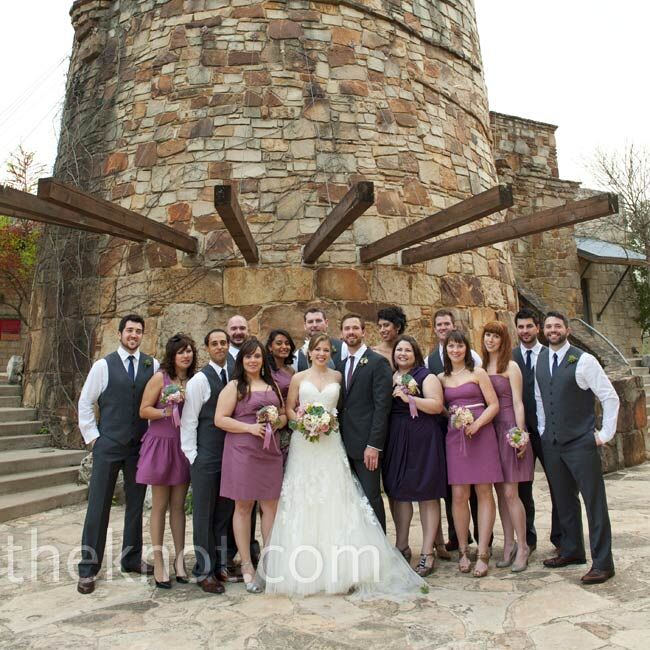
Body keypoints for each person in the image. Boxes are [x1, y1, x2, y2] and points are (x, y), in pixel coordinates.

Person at [262, 334, 424, 597]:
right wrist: (303, 422)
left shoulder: (337, 378)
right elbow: (289, 408)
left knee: (336, 497)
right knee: (305, 498)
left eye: (326, 350)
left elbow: (346, 409)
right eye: (318, 350)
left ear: (331, 353)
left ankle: (345, 566)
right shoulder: (298, 378)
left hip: (331, 443)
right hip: (305, 444)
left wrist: (325, 423)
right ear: (310, 352)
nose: (322, 354)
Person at [535, 312, 619, 584]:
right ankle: (571, 550)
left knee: (594, 503)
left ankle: (603, 563)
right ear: (543, 331)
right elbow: (539, 397)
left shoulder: (584, 360)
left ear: (567, 330)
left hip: (581, 443)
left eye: (557, 326)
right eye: (548, 326)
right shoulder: (541, 358)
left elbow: (609, 397)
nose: (553, 330)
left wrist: (604, 434)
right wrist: (543, 429)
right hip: (553, 443)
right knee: (564, 500)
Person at [77, 314, 158, 594]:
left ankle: (131, 558)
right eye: (130, 331)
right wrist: (94, 439)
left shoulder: (152, 364)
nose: (134, 335)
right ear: (120, 333)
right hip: (108, 445)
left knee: (135, 505)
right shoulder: (103, 366)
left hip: (139, 447)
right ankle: (88, 568)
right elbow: (86, 403)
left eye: (138, 331)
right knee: (98, 506)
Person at [216, 337, 286, 593]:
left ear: (263, 360)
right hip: (242, 451)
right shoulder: (235, 386)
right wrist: (249, 427)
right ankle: (246, 564)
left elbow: (285, 415)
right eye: (248, 356)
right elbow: (219, 419)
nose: (253, 360)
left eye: (257, 356)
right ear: (242, 360)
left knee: (270, 505)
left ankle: (269, 562)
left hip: (270, 452)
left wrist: (277, 422)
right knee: (243, 506)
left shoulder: (272, 385)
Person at [438, 330, 503, 577]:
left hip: (481, 434)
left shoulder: (478, 373)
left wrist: (477, 423)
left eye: (460, 346)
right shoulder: (441, 378)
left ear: (466, 348)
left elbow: (494, 404)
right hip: (456, 438)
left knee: (484, 491)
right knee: (458, 494)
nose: (455, 350)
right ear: (446, 350)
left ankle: (483, 551)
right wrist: (455, 418)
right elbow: (439, 407)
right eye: (451, 346)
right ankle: (464, 550)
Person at [382, 335, 446, 577]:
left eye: (408, 350)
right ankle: (402, 545)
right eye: (399, 350)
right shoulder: (390, 377)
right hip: (397, 438)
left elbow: (436, 406)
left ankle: (428, 552)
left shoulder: (426, 376)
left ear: (415, 353)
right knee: (399, 493)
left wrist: (410, 398)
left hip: (422, 437)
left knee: (427, 493)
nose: (402, 354)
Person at [180, 328, 238, 594]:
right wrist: (194, 456)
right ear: (207, 348)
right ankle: (204, 571)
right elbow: (189, 421)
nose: (220, 347)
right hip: (206, 455)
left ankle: (219, 564)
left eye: (223, 342)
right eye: (214, 343)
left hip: (231, 456)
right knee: (203, 514)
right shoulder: (199, 381)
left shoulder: (236, 375)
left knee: (224, 512)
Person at [136, 333, 196, 588]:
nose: (186, 355)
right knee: (159, 505)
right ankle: (159, 560)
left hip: (183, 445)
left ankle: (180, 560)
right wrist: (165, 411)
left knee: (179, 505)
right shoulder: (160, 377)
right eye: (181, 351)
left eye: (189, 351)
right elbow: (143, 410)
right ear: (172, 355)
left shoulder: (194, 380)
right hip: (161, 443)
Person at [425, 309, 482, 554]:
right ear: (435, 328)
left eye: (446, 323)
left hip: (475, 429)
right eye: (439, 324)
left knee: (479, 489)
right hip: (447, 429)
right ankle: (458, 537)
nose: (443, 327)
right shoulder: (431, 361)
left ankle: (483, 537)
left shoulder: (474, 359)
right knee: (453, 489)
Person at [482, 321, 533, 573]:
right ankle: (508, 544)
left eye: (495, 336)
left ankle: (523, 546)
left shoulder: (511, 366)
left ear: (503, 341)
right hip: (488, 433)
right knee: (500, 493)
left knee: (512, 493)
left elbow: (518, 402)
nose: (490, 340)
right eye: (487, 335)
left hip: (508, 430)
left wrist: (520, 434)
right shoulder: (480, 367)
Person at [337, 313, 393, 531]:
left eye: (355, 328)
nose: (351, 332)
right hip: (341, 445)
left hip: (367, 446)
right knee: (349, 500)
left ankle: (380, 550)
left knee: (371, 498)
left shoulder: (378, 363)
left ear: (363, 332)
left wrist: (374, 445)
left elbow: (382, 407)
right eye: (347, 328)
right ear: (341, 334)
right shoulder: (339, 366)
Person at [512, 308, 560, 554]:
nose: (525, 331)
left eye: (529, 326)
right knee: (523, 488)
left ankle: (560, 537)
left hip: (547, 431)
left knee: (557, 484)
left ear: (538, 328)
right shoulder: (509, 358)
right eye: (520, 327)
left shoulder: (549, 355)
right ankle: (528, 539)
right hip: (520, 432)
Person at [266, 328, 296, 462]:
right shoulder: (265, 370)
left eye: (287, 343)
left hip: (292, 420)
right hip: (275, 422)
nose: (284, 346)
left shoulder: (291, 370)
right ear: (270, 347)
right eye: (279, 343)